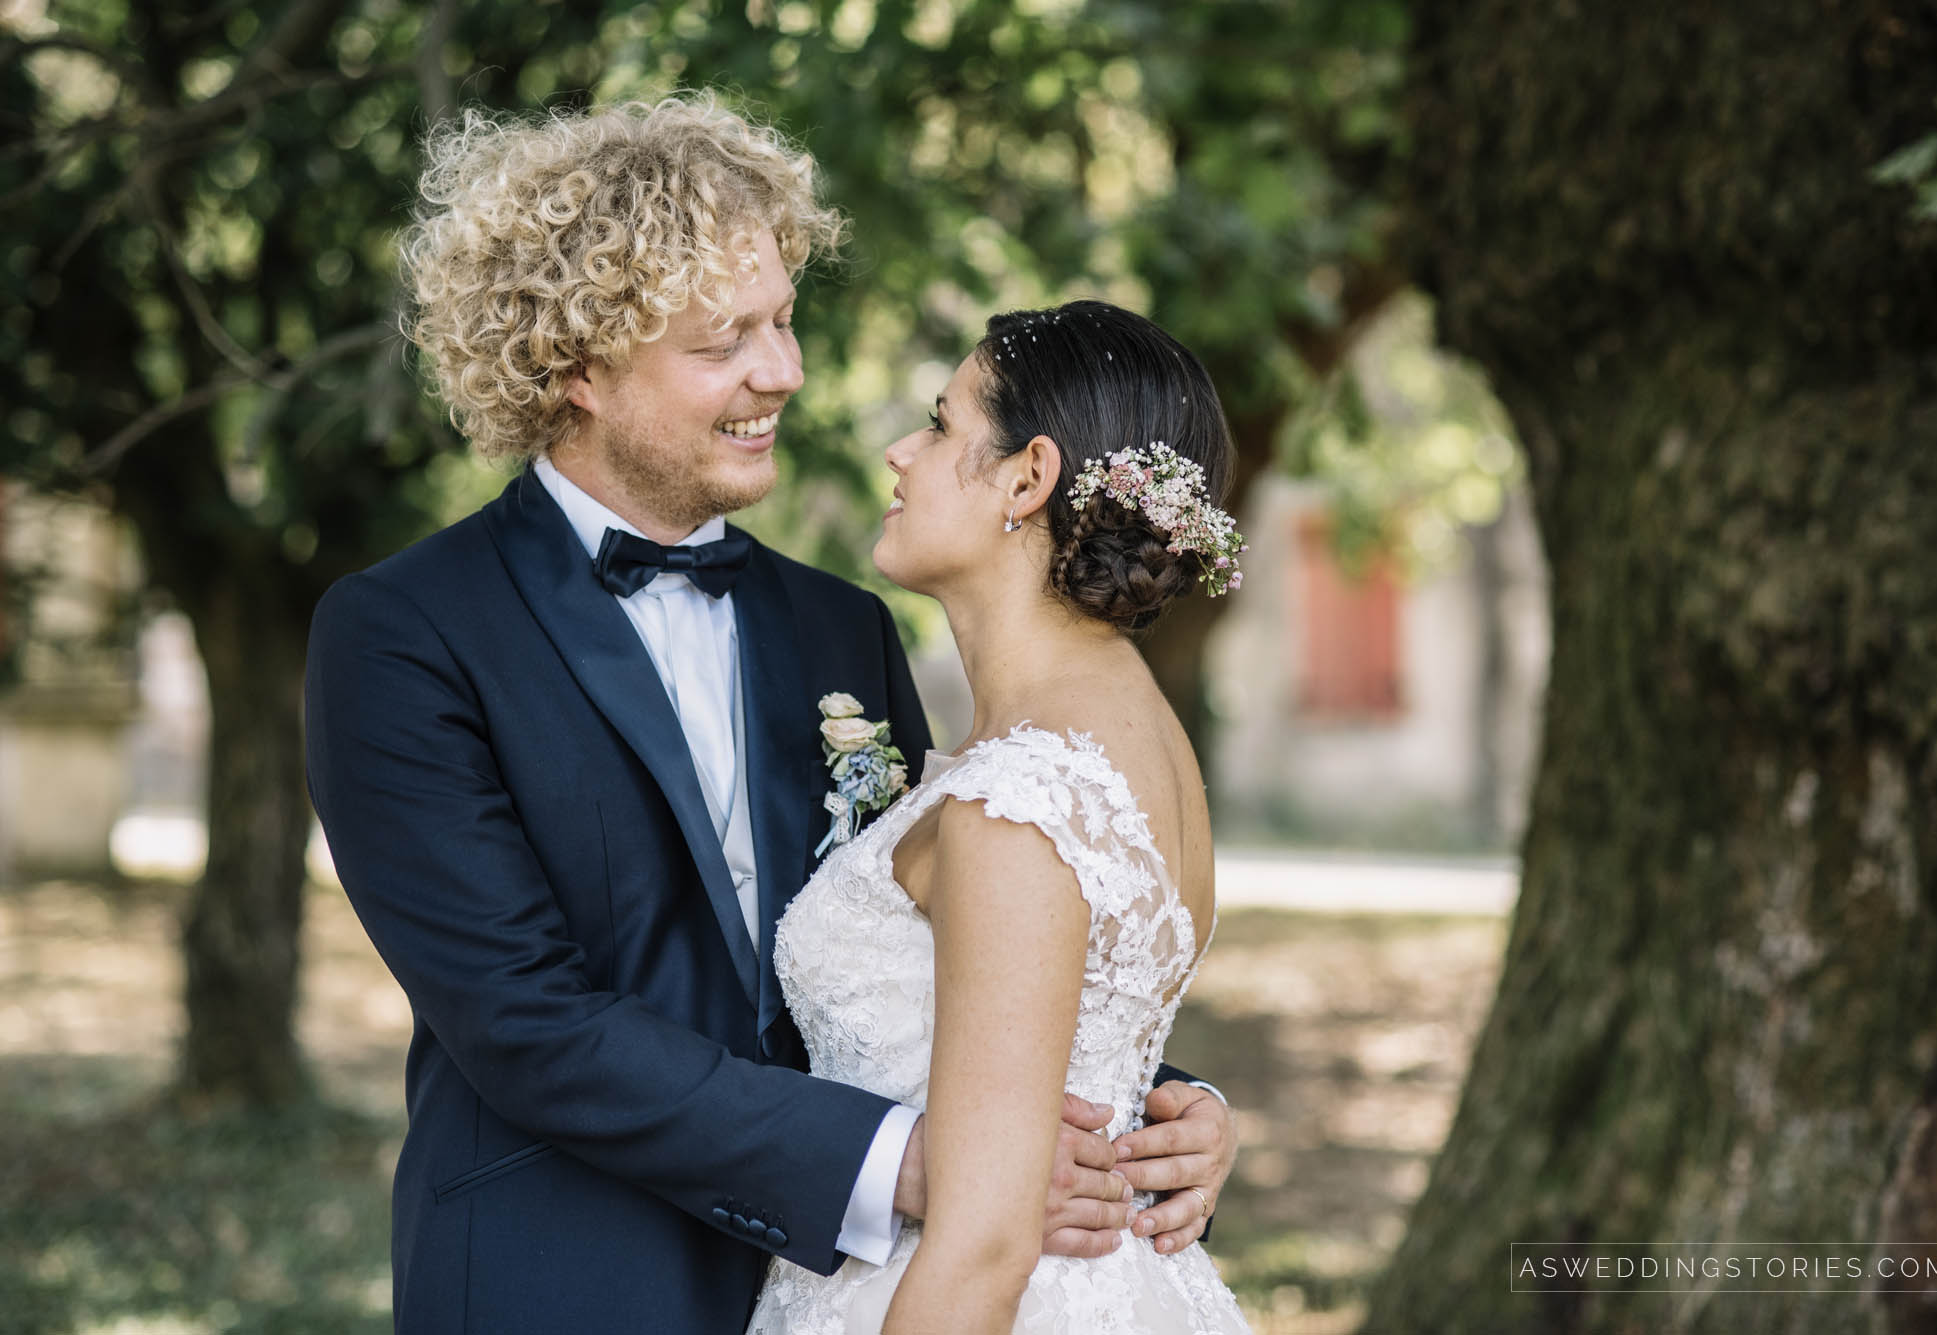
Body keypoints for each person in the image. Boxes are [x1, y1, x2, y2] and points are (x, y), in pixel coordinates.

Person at [302, 95, 1236, 1335]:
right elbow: (522, 1020)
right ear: (574, 366)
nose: (782, 372)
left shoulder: (843, 628)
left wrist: (1150, 1121)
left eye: (784, 320)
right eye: (724, 340)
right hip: (566, 1280)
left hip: (861, 1288)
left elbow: (943, 949)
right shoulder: (405, 634)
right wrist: (905, 1165)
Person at [750, 300, 1251, 1333]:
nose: (901, 452)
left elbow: (980, 1251)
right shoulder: (1128, 739)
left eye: (938, 425)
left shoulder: (1016, 801)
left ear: (1027, 476)